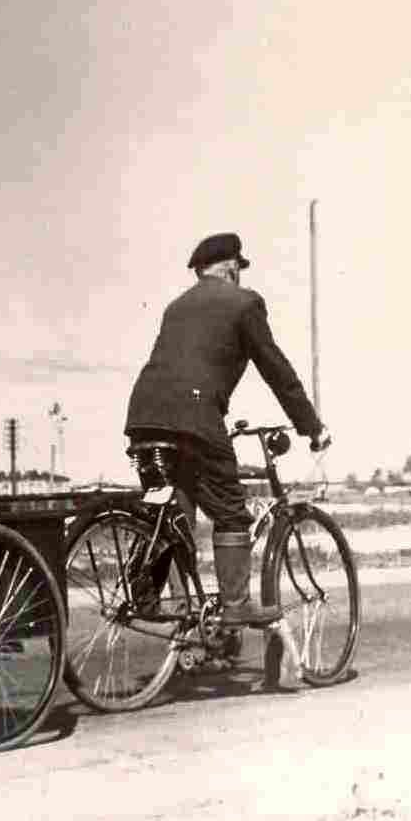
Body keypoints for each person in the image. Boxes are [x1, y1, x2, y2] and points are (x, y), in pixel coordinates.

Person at [125, 232, 331, 627]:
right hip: (195, 419)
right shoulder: (244, 303)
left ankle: (158, 603)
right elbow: (276, 370)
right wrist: (311, 426)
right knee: (231, 512)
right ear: (232, 266)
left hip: (143, 416)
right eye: (238, 267)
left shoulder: (176, 306)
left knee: (170, 517)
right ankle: (236, 605)